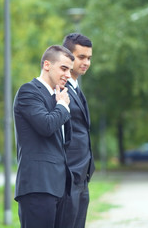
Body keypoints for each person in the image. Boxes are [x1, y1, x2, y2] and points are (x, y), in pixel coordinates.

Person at [13, 45, 75, 228]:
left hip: (59, 186)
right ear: (47, 65)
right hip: (37, 186)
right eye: (64, 68)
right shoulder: (28, 92)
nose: (68, 75)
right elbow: (46, 126)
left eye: (70, 70)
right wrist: (63, 106)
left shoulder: (57, 97)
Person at [59, 33, 95, 228]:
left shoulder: (76, 88)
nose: (86, 62)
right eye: (81, 57)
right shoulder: (59, 89)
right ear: (67, 57)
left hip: (83, 173)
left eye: (89, 58)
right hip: (69, 174)